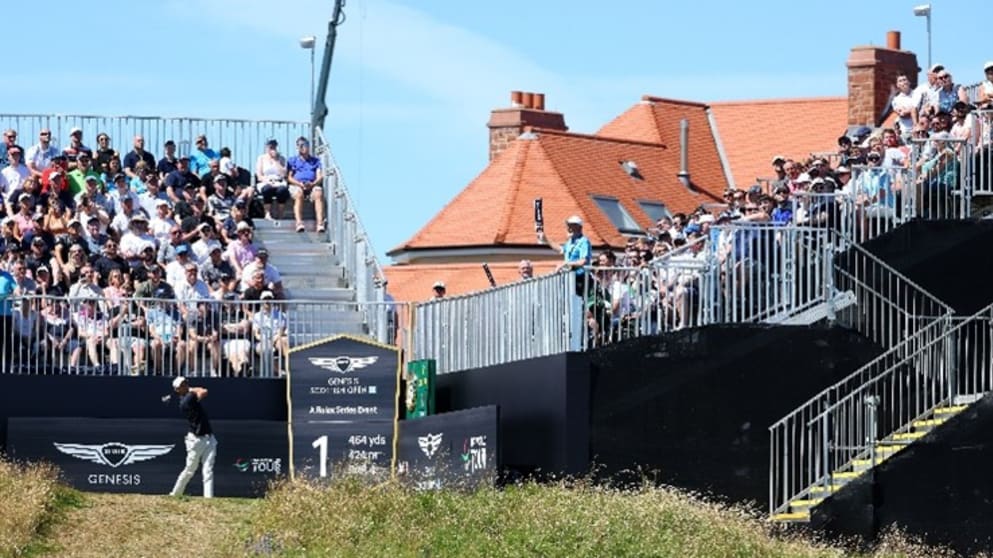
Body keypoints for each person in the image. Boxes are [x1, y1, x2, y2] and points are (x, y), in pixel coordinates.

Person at [168, 376, 217, 498]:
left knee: (208, 470)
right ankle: (175, 493)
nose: (186, 386)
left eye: (186, 383)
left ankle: (208, 498)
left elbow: (201, 391)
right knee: (190, 470)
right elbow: (204, 391)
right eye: (182, 385)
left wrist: (192, 389)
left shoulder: (189, 395)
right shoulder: (187, 400)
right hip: (196, 440)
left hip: (209, 438)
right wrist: (194, 390)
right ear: (177, 390)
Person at [538, 215, 592, 296]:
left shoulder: (584, 241)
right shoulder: (570, 242)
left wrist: (566, 264)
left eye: (572, 225)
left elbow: (584, 261)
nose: (569, 228)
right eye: (568, 225)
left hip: (580, 279)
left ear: (579, 228)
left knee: (578, 304)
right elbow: (560, 249)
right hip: (570, 278)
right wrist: (546, 240)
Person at [287, 136, 326, 233]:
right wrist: (299, 184)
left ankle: (320, 224)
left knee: (318, 193)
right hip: (297, 185)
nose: (302, 147)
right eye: (299, 145)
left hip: (311, 184)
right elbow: (289, 177)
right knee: (299, 193)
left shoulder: (315, 161)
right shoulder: (293, 160)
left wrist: (312, 184)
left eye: (304, 145)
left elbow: (320, 176)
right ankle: (299, 223)